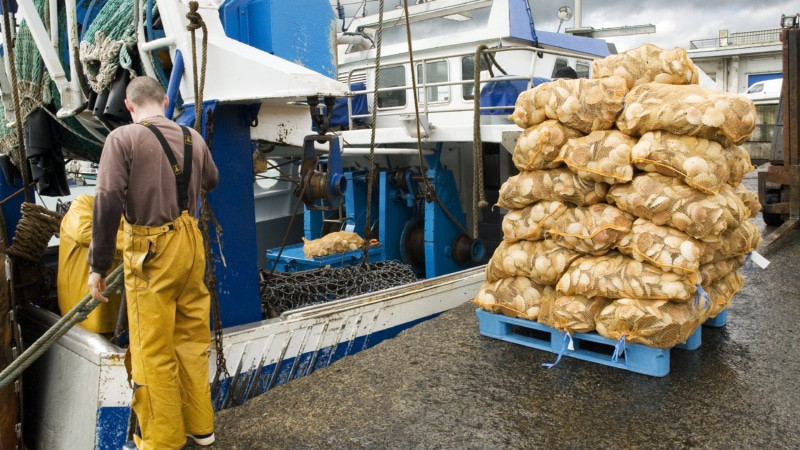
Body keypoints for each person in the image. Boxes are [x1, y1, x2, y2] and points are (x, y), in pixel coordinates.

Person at [88, 75, 219, 449]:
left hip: (152, 251)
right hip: (191, 242)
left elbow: (108, 200)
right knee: (192, 338)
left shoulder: (123, 138)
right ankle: (201, 427)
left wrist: (97, 266)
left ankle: (161, 440)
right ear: (164, 101)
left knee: (152, 348)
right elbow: (213, 180)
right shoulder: (193, 137)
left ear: (129, 107)